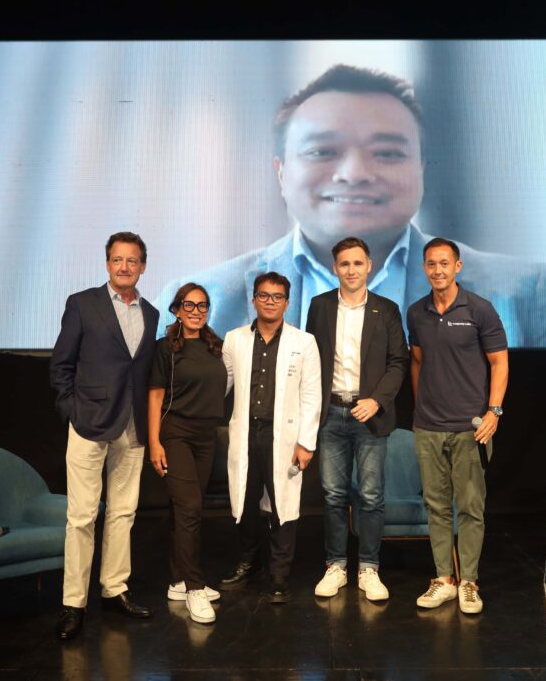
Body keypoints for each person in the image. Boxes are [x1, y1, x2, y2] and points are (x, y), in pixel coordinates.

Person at [154, 64, 546, 348]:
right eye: (322, 151)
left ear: (421, 169)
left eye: (386, 153)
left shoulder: (528, 294)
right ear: (281, 172)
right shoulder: (200, 299)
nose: (354, 173)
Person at [49, 231, 160, 639]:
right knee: (81, 517)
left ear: (142, 266)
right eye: (117, 259)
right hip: (89, 425)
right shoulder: (82, 304)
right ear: (107, 263)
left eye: (132, 260)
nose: (124, 267)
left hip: (131, 427)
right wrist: (72, 412)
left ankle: (114, 589)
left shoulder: (151, 313)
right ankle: (74, 604)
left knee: (123, 513)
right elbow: (61, 365)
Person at [407, 237, 509, 615]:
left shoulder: (480, 309)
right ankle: (444, 580)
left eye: (444, 263)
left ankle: (469, 582)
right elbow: (418, 362)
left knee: (469, 507)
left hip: (471, 427)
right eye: (431, 264)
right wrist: (421, 409)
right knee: (435, 507)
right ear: (424, 268)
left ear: (458, 266)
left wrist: (493, 412)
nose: (438, 270)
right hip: (429, 426)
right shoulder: (416, 313)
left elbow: (499, 363)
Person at [305, 237, 409, 601]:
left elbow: (398, 362)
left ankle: (368, 567)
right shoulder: (319, 306)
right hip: (330, 413)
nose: (351, 270)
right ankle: (336, 565)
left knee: (371, 495)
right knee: (333, 495)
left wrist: (377, 401)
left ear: (370, 266)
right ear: (335, 268)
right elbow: (311, 360)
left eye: (358, 263)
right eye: (345, 264)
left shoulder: (387, 309)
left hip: (370, 416)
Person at [217, 272, 322, 602]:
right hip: (246, 434)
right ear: (254, 299)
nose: (270, 302)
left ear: (287, 303)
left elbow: (312, 395)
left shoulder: (304, 342)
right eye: (264, 295)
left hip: (285, 438)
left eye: (277, 297)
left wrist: (306, 443)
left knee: (283, 506)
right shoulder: (234, 339)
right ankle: (248, 563)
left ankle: (278, 575)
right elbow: (221, 385)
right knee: (245, 503)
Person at [147, 283, 227, 624]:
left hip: (206, 436)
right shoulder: (165, 348)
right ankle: (195, 587)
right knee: (190, 508)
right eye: (189, 305)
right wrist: (154, 443)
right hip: (176, 433)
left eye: (202, 305)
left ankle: (178, 581)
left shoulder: (214, 346)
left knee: (185, 509)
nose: (196, 311)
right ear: (177, 309)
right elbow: (154, 396)